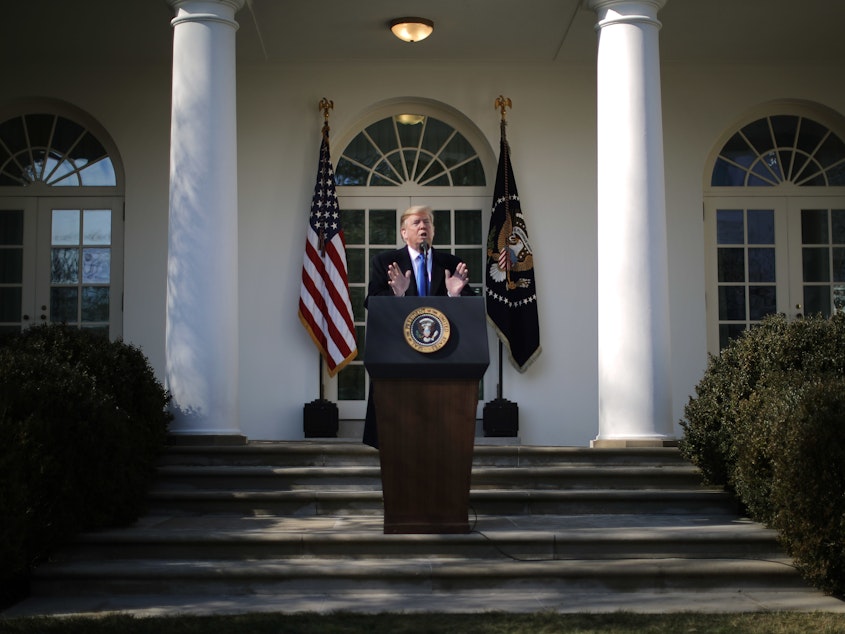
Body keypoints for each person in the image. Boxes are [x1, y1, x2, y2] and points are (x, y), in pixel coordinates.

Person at [363, 205, 474, 448]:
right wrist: (397, 294)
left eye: (427, 222)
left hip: (441, 355)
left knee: (438, 435)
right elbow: (371, 302)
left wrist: (454, 295)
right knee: (395, 432)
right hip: (399, 354)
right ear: (404, 232)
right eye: (416, 223)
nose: (423, 226)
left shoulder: (451, 263)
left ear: (433, 230)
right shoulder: (386, 262)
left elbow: (471, 309)